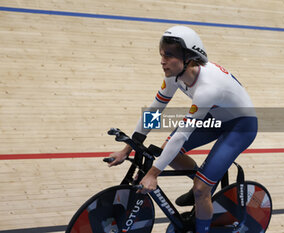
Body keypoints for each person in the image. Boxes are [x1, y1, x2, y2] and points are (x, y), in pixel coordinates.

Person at [108, 25, 258, 233]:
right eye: (162, 54)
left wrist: (153, 174)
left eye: (169, 56)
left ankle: (202, 215)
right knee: (169, 154)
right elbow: (154, 111)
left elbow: (181, 136)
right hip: (214, 116)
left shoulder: (207, 89)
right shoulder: (173, 76)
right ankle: (207, 179)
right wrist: (128, 148)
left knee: (199, 190)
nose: (162, 60)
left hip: (241, 127)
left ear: (189, 58)